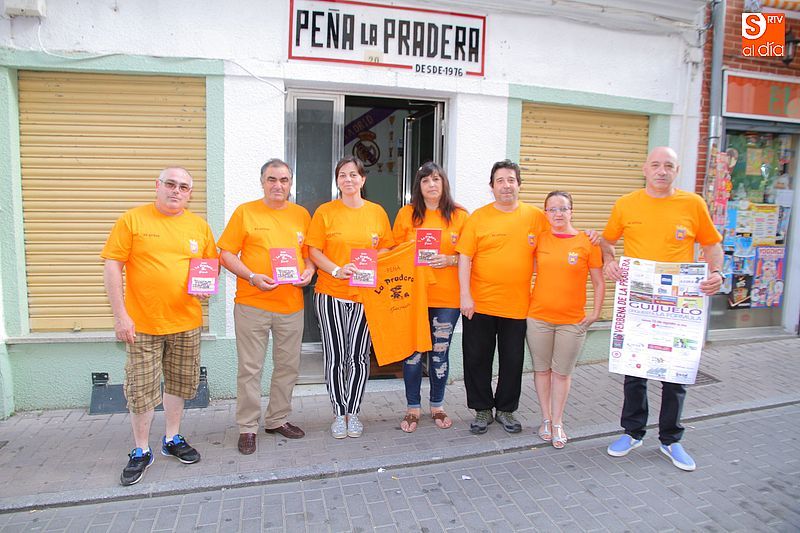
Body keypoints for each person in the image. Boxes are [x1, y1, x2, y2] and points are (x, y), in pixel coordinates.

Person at [601, 146, 724, 471]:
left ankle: (671, 439)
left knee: (676, 376)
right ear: (645, 169)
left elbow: (712, 244)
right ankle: (633, 432)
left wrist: (717, 272)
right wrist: (610, 262)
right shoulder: (626, 204)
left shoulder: (692, 204)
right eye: (655, 165)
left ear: (676, 169)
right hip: (640, 302)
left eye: (668, 165)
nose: (661, 170)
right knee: (635, 372)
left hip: (679, 305)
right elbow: (607, 240)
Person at [102, 167, 217, 486]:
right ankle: (140, 450)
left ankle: (172, 438)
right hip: (142, 325)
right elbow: (112, 265)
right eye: (170, 184)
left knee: (180, 384)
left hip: (186, 323)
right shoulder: (133, 220)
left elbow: (209, 268)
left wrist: (207, 287)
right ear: (157, 186)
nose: (176, 190)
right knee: (140, 390)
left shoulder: (199, 226)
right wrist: (120, 315)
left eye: (183, 187)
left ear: (190, 193)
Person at [217, 159, 315, 455]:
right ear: (262, 182)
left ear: (290, 183)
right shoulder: (245, 212)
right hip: (252, 304)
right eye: (272, 179)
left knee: (288, 367)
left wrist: (309, 272)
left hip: (290, 305)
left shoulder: (301, 215)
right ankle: (247, 426)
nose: (278, 185)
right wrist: (251, 276)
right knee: (250, 368)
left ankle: (277, 419)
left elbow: (309, 254)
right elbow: (226, 254)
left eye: (284, 180)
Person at [456, 160, 548, 435]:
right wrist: (465, 295)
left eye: (511, 180)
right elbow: (464, 258)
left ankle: (506, 410)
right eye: (500, 181)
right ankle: (482, 409)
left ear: (519, 184)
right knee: (476, 358)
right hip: (480, 303)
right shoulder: (478, 218)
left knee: (512, 361)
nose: (506, 185)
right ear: (491, 186)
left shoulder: (535, 217)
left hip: (518, 305)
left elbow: (551, 249)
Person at [306, 156, 395, 438]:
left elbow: (388, 248)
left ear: (363, 179)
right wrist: (336, 269)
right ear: (337, 181)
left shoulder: (377, 212)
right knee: (335, 356)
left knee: (357, 356)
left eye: (354, 174)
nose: (348, 179)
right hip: (330, 294)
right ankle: (338, 412)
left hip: (364, 296)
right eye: (343, 175)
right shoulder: (325, 212)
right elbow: (313, 251)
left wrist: (369, 259)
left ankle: (353, 412)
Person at [392, 162, 468, 432]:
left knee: (439, 354)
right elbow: (393, 251)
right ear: (419, 186)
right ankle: (413, 407)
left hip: (447, 298)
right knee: (411, 355)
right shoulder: (407, 214)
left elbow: (471, 257)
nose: (432, 185)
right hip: (412, 297)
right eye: (425, 180)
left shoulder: (459, 215)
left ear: (444, 183)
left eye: (436, 179)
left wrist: (449, 259)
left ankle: (437, 405)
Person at [527, 191, 604, 449]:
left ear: (572, 211)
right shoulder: (539, 240)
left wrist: (595, 313)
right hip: (539, 318)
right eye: (552, 209)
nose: (558, 214)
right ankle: (546, 419)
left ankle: (558, 421)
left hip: (572, 321)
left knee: (561, 373)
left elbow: (598, 280)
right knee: (542, 370)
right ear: (545, 213)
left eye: (563, 208)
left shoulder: (587, 242)